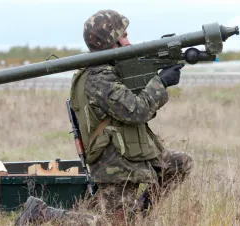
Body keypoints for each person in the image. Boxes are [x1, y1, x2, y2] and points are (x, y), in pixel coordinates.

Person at [15, 9, 194, 226]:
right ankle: (43, 214)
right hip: (115, 163)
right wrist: (161, 83)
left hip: (132, 154)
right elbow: (136, 110)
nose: (129, 42)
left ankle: (137, 217)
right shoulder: (99, 78)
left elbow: (134, 87)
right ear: (110, 42)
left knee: (180, 164)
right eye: (124, 36)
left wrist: (159, 54)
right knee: (109, 224)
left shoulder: (110, 70)